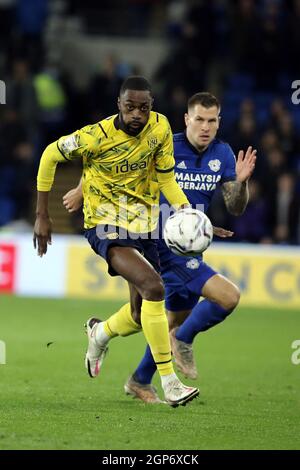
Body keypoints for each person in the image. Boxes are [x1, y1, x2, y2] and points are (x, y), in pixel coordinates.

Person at [63, 92, 257, 404]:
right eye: (199, 120)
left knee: (151, 319)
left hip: (190, 249)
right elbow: (114, 163)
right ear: (186, 120)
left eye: (212, 121)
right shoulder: (164, 143)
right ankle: (179, 347)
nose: (205, 127)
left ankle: (130, 368)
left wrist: (242, 183)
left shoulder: (223, 153)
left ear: (219, 122)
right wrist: (80, 189)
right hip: (151, 242)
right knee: (226, 297)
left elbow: (235, 208)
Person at [33, 76, 199, 408]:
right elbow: (50, 155)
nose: (137, 114)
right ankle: (170, 383)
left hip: (145, 224)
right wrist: (42, 214)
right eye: (130, 107)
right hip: (105, 224)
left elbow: (165, 177)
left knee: (140, 315)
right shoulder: (94, 137)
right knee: (155, 288)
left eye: (144, 107)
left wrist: (184, 208)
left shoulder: (160, 128)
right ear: (118, 105)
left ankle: (100, 333)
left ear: (152, 106)